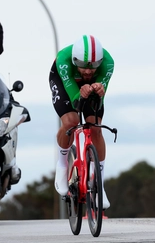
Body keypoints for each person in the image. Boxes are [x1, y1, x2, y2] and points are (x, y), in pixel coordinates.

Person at [49, 35, 114, 209]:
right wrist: (80, 94)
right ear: (75, 60)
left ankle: (99, 182)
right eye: (84, 66)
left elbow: (100, 96)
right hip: (65, 81)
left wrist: (99, 87)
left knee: (96, 128)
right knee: (72, 121)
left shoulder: (108, 62)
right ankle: (62, 165)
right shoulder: (64, 59)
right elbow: (75, 100)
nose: (88, 71)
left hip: (91, 86)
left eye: (93, 67)